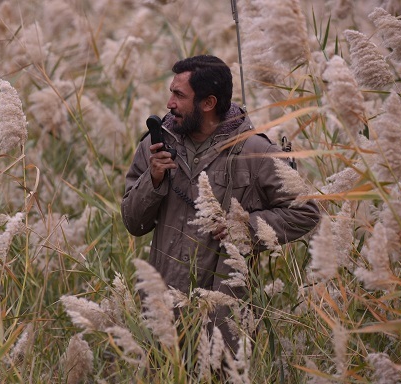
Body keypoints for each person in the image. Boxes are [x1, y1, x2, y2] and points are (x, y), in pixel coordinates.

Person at [121, 55, 320, 353]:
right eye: (171, 92)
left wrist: (247, 227)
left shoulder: (255, 151)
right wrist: (154, 178)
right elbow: (132, 222)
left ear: (208, 103)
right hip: (162, 313)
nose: (169, 103)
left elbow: (306, 211)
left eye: (179, 95)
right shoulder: (156, 144)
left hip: (223, 321)